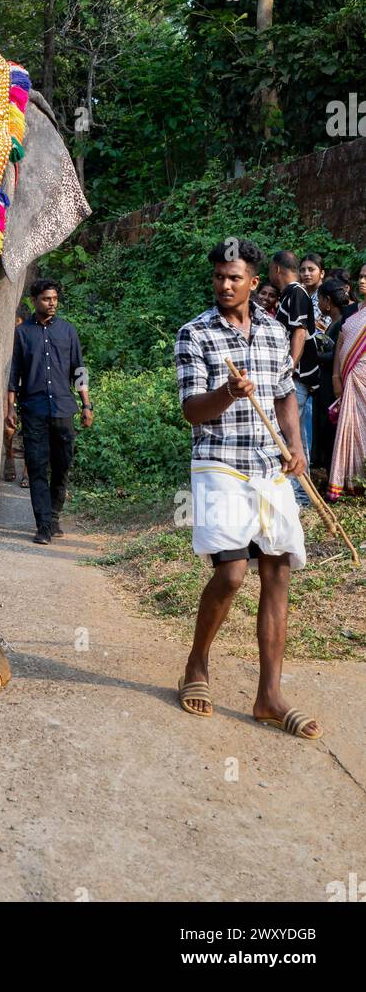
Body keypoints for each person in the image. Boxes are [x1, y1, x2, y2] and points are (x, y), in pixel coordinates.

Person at [174, 239, 321, 740]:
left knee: (277, 570)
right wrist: (227, 393)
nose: (225, 285)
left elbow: (285, 397)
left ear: (254, 282)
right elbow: (192, 411)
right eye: (219, 276)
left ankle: (269, 696)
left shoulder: (277, 332)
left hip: (269, 465)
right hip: (219, 463)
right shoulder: (193, 333)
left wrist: (296, 449)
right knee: (233, 574)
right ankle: (197, 664)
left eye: (235, 277)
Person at [7, 278, 93, 545]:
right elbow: (14, 373)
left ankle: (54, 516)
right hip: (33, 410)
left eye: (54, 298)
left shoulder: (68, 331)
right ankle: (43, 525)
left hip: (64, 409)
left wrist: (86, 404)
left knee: (62, 466)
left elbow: (79, 369)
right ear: (34, 300)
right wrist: (10, 407)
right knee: (36, 466)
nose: (52, 303)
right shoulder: (22, 334)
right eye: (46, 299)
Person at [269, 251, 320, 508]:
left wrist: (289, 367)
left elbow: (299, 333)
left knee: (292, 437)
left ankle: (298, 497)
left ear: (277, 269)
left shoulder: (297, 293)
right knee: (299, 437)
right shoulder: (288, 296)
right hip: (295, 377)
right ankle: (300, 495)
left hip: (296, 378)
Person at [327, 261, 366, 502]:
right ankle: (350, 482)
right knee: (351, 429)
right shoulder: (353, 312)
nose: (363, 280)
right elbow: (341, 345)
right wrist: (335, 377)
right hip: (349, 378)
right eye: (361, 276)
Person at [313, 279, 348, 475]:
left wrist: (313, 355)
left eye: (319, 300)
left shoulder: (341, 323)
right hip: (327, 379)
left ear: (327, 300)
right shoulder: (336, 322)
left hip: (331, 381)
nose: (318, 304)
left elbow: (336, 354)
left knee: (329, 424)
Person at [3, 301, 32, 487]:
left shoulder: (29, 334)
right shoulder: (7, 338)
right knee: (9, 424)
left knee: (32, 428)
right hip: (10, 383)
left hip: (30, 385)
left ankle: (28, 470)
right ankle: (9, 458)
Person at [299, 252, 326, 330]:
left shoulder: (325, 295)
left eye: (311, 270)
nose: (306, 274)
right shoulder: (302, 294)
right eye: (302, 270)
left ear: (322, 273)